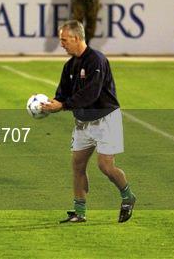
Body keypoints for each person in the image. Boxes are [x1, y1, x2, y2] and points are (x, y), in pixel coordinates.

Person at [42, 20, 136, 223]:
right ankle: (79, 212)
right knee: (77, 165)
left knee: (106, 167)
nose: (62, 44)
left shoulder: (96, 60)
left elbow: (91, 93)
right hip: (83, 123)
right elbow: (62, 94)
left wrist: (64, 105)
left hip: (105, 119)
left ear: (76, 38)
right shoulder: (69, 66)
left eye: (64, 40)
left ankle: (128, 196)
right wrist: (49, 106)